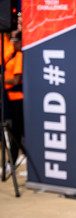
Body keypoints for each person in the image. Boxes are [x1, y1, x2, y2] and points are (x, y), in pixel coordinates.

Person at [4, 30, 24, 167]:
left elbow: (16, 80)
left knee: (17, 130)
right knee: (15, 130)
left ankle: (13, 160)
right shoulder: (13, 55)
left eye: (16, 42)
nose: (14, 44)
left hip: (18, 99)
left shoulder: (20, 56)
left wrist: (3, 79)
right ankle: (13, 159)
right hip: (11, 98)